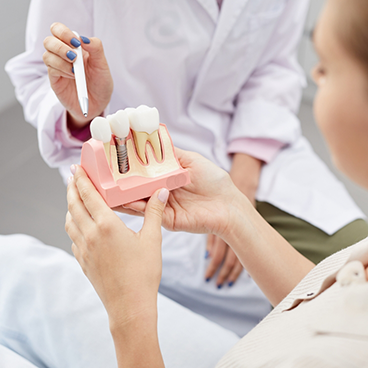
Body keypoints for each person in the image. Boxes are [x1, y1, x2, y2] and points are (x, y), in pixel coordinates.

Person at [5, 0, 368, 336]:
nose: (316, 73)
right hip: (137, 164)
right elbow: (41, 75)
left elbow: (273, 66)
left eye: (326, 68)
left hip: (258, 151)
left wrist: (243, 175)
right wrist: (83, 110)